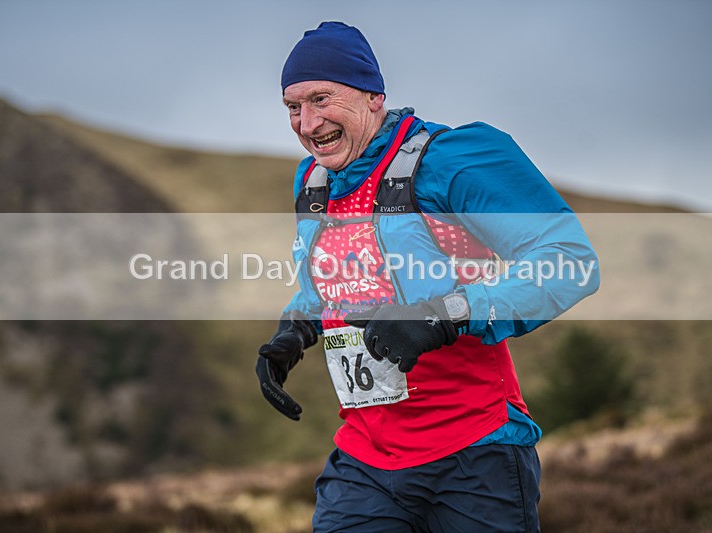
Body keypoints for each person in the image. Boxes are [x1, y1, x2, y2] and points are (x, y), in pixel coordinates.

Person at [256, 21, 599, 532]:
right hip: (366, 460)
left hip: (475, 455)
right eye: (292, 106)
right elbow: (328, 281)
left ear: (374, 97)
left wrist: (445, 315)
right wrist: (295, 330)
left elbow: (569, 260)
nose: (306, 123)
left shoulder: (451, 159)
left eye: (321, 99)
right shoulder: (313, 181)